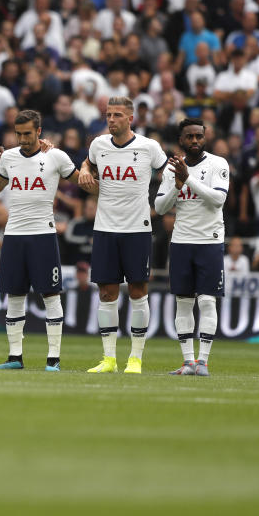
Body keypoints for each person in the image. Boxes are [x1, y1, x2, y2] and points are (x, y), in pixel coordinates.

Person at [79, 96, 168, 374]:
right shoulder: (98, 145)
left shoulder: (148, 147)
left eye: (117, 115)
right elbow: (88, 163)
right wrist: (83, 169)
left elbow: (168, 172)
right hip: (105, 228)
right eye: (108, 115)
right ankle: (108, 359)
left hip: (137, 229)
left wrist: (161, 202)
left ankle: (136, 358)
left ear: (130, 119)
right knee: (106, 292)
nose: (111, 120)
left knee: (138, 290)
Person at [0, 110, 86, 371]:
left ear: (39, 131)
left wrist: (102, 183)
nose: (22, 138)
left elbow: (82, 181)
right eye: (18, 133)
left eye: (27, 134)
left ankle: (53, 360)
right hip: (13, 235)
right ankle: (14, 358)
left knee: (51, 296)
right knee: (15, 296)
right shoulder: (8, 158)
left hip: (44, 235)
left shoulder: (55, 156)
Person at [154, 119, 229, 377]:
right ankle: (188, 362)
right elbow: (161, 208)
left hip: (209, 240)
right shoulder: (171, 169)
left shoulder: (218, 164)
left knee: (207, 301)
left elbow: (218, 199)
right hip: (182, 242)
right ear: (181, 140)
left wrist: (188, 179)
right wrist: (177, 185)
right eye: (190, 137)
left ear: (205, 137)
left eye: (199, 136)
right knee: (183, 303)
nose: (195, 140)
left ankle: (203, 362)